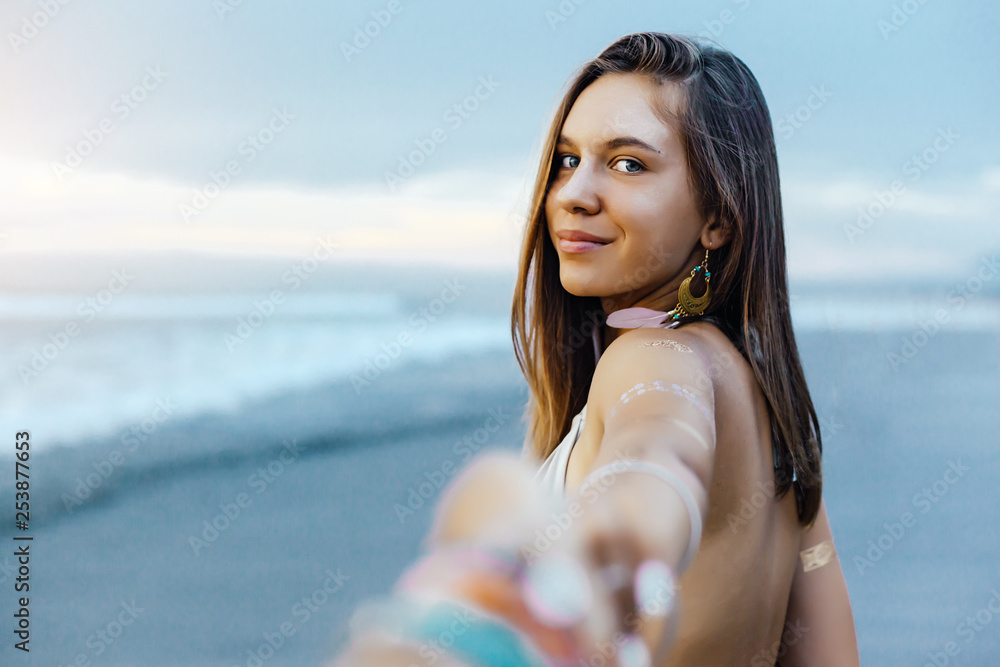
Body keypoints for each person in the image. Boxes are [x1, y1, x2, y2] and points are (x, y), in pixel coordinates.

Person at [334, 32, 860, 666]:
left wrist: (588, 564)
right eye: (566, 159)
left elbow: (657, 454)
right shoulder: (780, 431)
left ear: (718, 217)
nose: (573, 193)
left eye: (628, 163)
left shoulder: (652, 358)